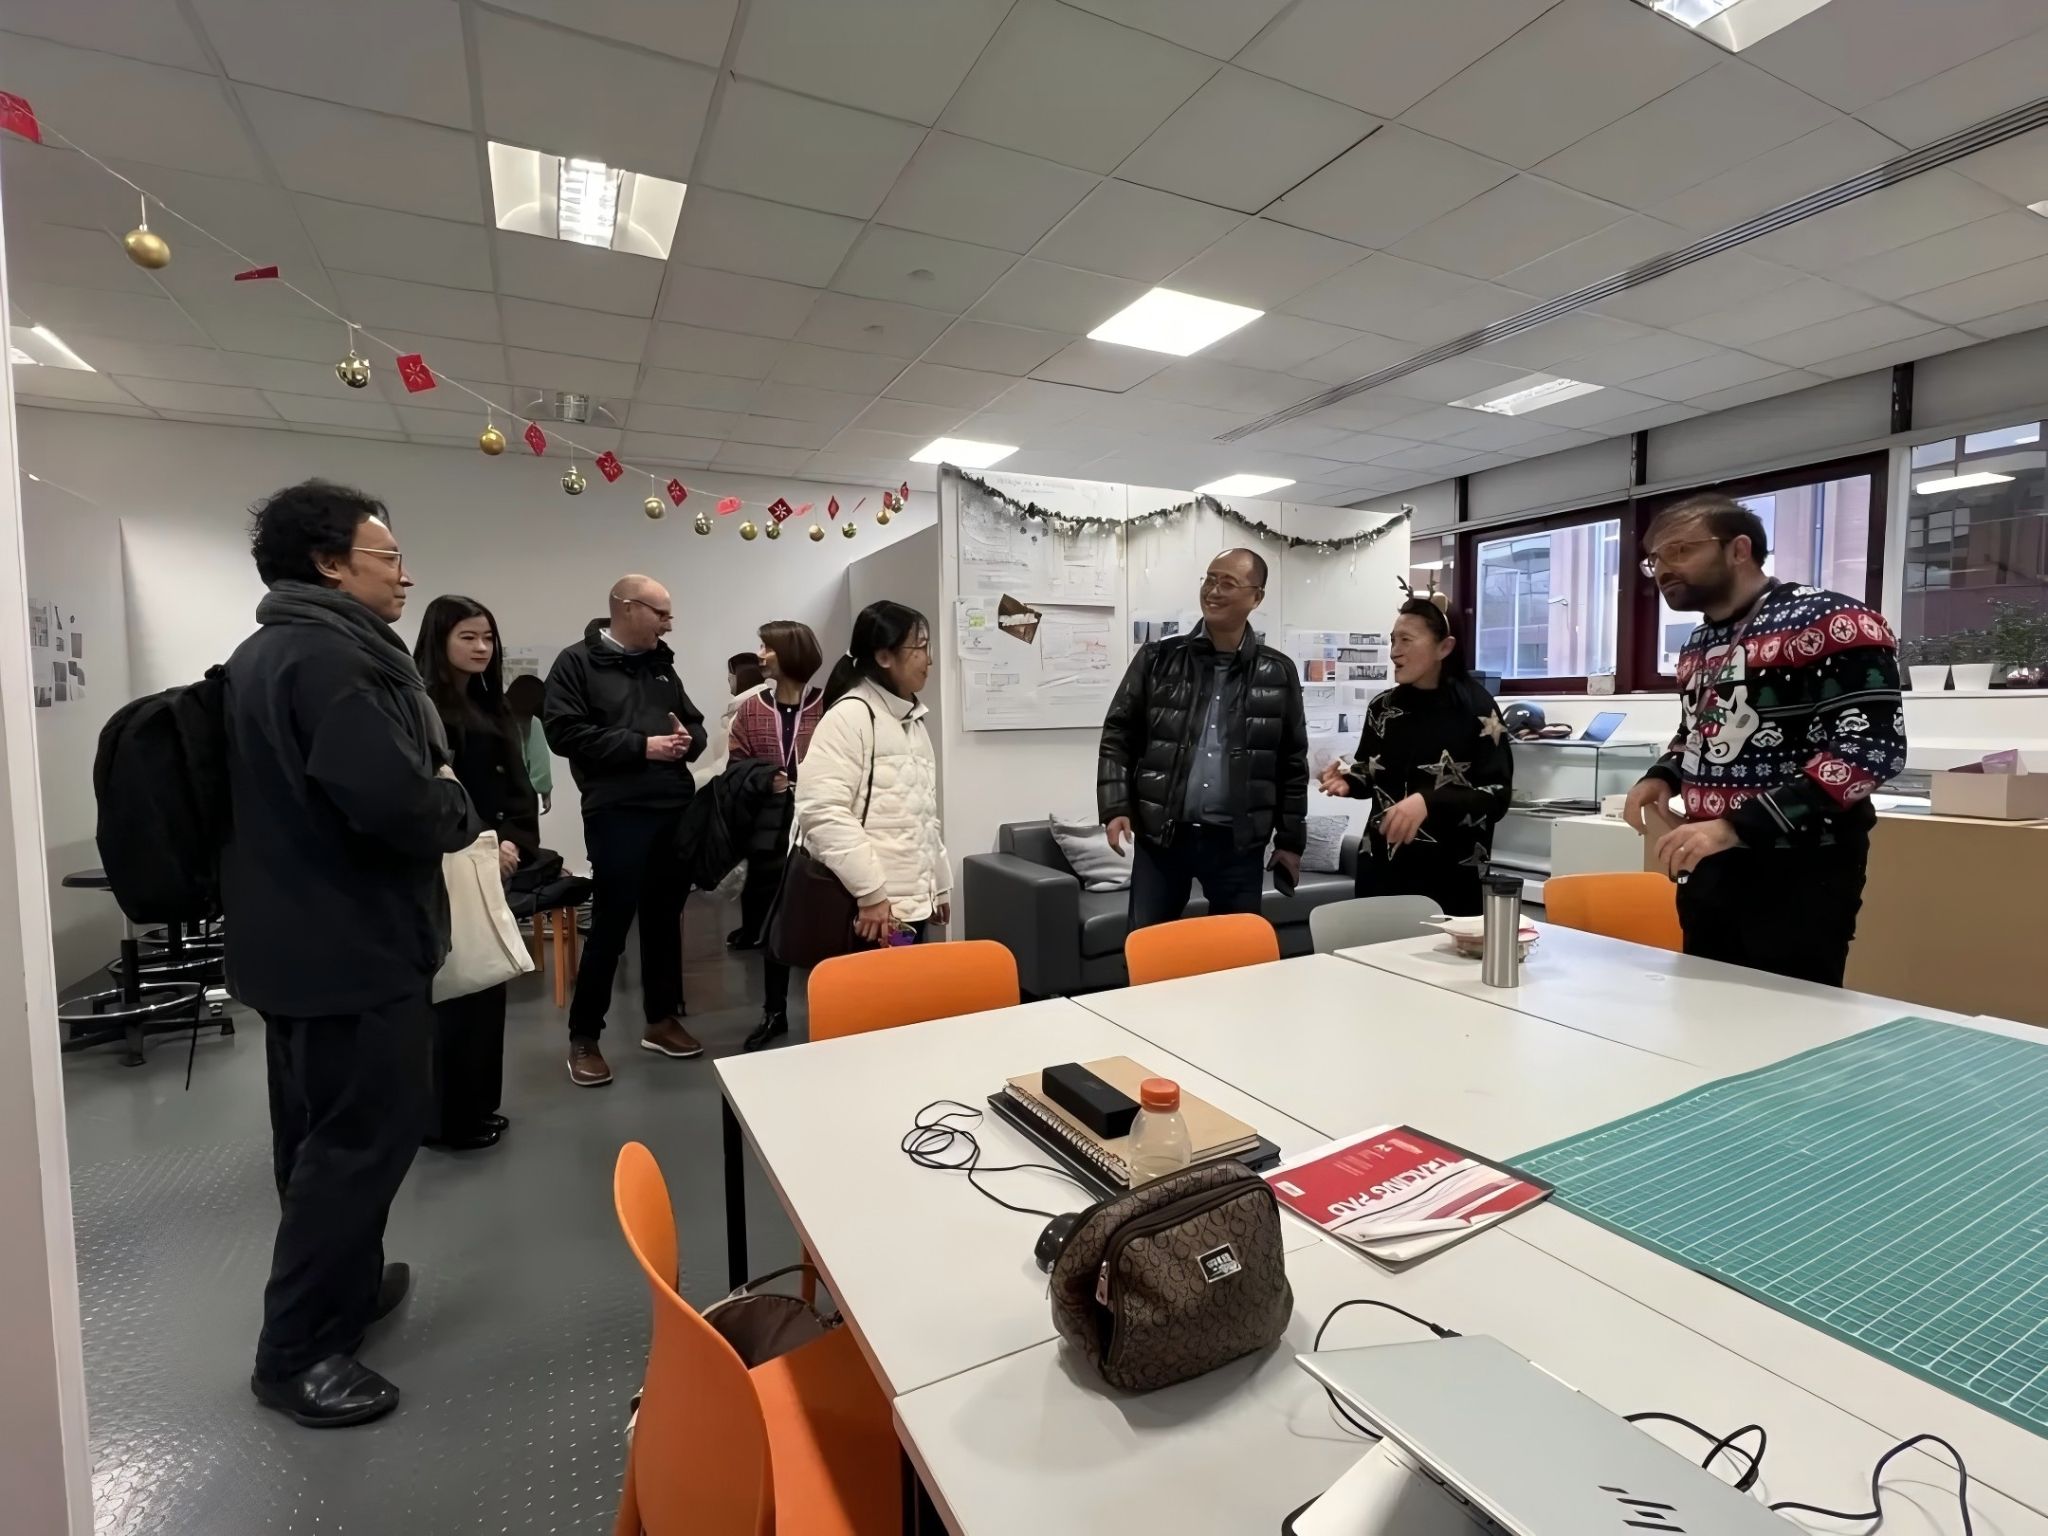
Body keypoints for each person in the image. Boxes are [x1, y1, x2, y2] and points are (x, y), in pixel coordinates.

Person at [223, 480, 480, 1427]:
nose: (406, 575)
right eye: (389, 557)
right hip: (350, 947)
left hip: (296, 942)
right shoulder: (336, 660)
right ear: (331, 564)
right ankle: (296, 1355)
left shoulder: (269, 649)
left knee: (316, 1135)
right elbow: (401, 805)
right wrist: (456, 798)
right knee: (357, 1147)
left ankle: (346, 1289)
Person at [1622, 493, 1905, 986]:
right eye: (1655, 559)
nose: (1663, 569)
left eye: (1680, 550)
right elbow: (1698, 731)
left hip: (1799, 866)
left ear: (1739, 549)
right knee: (1705, 1002)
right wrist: (1663, 775)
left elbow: (1870, 752)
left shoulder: (1830, 621)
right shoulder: (1700, 642)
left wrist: (1740, 825)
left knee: (1787, 1013)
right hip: (1709, 857)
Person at [543, 576, 706, 1086]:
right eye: (661, 613)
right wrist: (643, 747)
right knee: (611, 925)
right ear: (628, 608)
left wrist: (689, 739)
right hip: (616, 812)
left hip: (672, 808)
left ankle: (660, 1020)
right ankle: (584, 1037)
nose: (669, 624)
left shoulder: (662, 665)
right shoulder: (576, 663)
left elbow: (695, 724)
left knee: (664, 920)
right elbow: (564, 733)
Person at [1098, 548, 1309, 930]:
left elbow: (1291, 762)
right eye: (1210, 579)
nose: (1213, 590)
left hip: (1238, 842)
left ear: (1256, 597)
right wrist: (1115, 807)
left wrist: (1291, 842)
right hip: (1163, 837)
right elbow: (1118, 734)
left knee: (1237, 952)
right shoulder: (1158, 659)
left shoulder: (1277, 671)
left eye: (1228, 583)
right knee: (1148, 946)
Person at [413, 596, 540, 1152]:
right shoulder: (422, 707)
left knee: (485, 983)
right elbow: (432, 793)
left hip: (493, 858)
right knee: (452, 988)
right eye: (467, 637)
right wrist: (484, 841)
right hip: (449, 863)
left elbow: (518, 790)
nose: (481, 648)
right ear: (439, 640)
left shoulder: (493, 705)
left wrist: (511, 841)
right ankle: (443, 1119)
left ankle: (478, 1103)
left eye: (488, 637)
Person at [1318, 594, 1512, 916]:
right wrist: (1349, 781)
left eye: (1406, 640)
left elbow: (1497, 796)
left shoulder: (1478, 710)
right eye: (1393, 640)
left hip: (1451, 879)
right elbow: (1372, 771)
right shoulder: (1382, 708)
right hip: (1381, 870)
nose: (1394, 652)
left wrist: (1429, 801)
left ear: (1444, 648)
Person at [794, 602, 948, 950]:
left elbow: (922, 813)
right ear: (883, 657)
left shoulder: (911, 719)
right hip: (871, 912)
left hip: (905, 906)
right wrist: (871, 892)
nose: (928, 660)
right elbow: (822, 811)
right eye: (920, 648)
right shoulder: (851, 716)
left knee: (908, 983)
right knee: (877, 985)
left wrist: (937, 884)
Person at [727, 622, 826, 1049]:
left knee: (825, 917)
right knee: (773, 922)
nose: (760, 655)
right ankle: (775, 1011)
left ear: (790, 653)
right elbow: (735, 767)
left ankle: (833, 1005)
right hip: (769, 830)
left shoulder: (830, 706)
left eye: (767, 647)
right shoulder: (751, 710)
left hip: (821, 829)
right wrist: (764, 778)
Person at [505, 673, 553, 815]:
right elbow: (541, 763)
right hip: (520, 798)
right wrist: (545, 791)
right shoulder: (533, 721)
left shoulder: (490, 717)